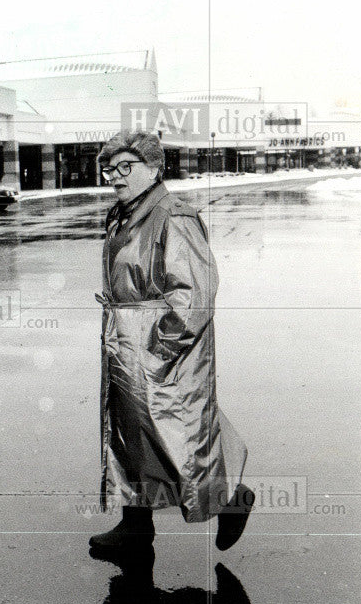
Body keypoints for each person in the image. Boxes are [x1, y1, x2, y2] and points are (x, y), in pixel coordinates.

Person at [89, 130, 254, 557]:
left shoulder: (172, 217)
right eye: (110, 168)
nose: (115, 176)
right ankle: (135, 527)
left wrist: (159, 348)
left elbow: (195, 296)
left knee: (178, 435)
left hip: (160, 350)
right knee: (131, 434)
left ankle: (231, 500)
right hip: (128, 345)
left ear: (154, 168)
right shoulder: (126, 214)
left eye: (127, 167)